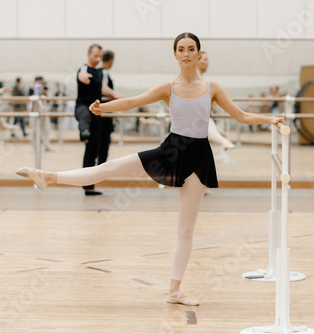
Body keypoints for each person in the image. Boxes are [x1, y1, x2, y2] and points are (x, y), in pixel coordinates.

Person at [16, 32, 286, 306]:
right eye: (181, 49)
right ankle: (49, 176)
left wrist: (271, 119)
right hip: (169, 152)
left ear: (198, 53)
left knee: (186, 230)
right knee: (110, 167)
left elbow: (241, 116)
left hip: (199, 158)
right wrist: (103, 108)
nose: (186, 54)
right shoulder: (167, 88)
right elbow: (133, 101)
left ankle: (174, 291)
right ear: (175, 54)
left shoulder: (212, 87)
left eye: (191, 49)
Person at [74, 44, 121, 196]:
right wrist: (82, 77)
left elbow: (102, 88)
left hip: (96, 114)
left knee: (92, 150)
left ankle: (89, 186)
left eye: (100, 56)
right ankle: (84, 131)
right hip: (83, 107)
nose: (98, 59)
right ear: (88, 54)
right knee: (85, 117)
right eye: (95, 56)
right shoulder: (84, 69)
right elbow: (81, 74)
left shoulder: (100, 72)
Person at [197, 51, 236, 158]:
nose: (208, 62)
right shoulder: (193, 80)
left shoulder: (206, 82)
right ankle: (220, 138)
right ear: (197, 61)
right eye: (205, 59)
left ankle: (219, 136)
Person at [99, 50, 123, 166]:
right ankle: (101, 166)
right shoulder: (103, 72)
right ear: (111, 60)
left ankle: (99, 166)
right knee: (103, 142)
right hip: (104, 113)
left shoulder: (98, 71)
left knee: (101, 142)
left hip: (102, 112)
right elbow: (103, 88)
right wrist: (115, 94)